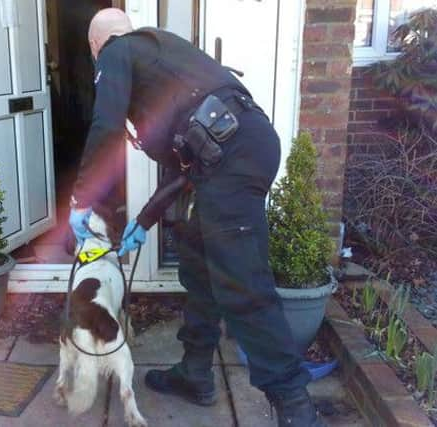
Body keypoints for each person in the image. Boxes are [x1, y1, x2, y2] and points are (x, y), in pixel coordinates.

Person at [68, 8, 324, 427]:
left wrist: (81, 199)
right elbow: (186, 164)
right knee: (198, 262)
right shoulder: (161, 57)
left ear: (97, 45)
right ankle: (196, 372)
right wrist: (145, 221)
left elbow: (105, 126)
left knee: (242, 283)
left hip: (232, 157)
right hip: (224, 156)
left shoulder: (116, 50)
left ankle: (297, 410)